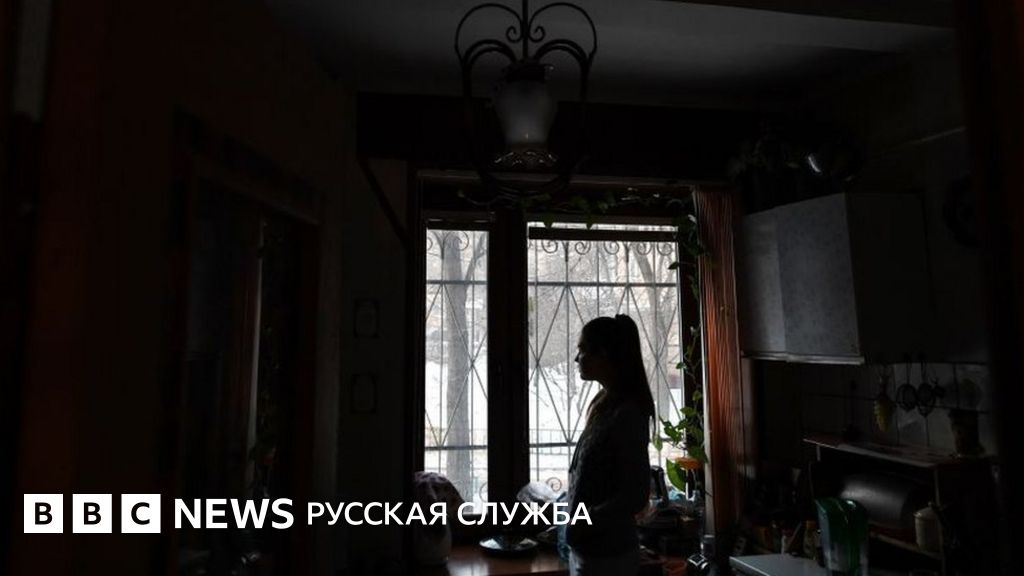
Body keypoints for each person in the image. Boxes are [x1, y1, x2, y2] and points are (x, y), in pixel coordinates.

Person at [566, 314, 655, 576]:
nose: (577, 358)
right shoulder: (604, 404)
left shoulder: (627, 413)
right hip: (590, 551)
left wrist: (587, 520)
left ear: (603, 355)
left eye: (583, 349)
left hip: (608, 557)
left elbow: (636, 493)